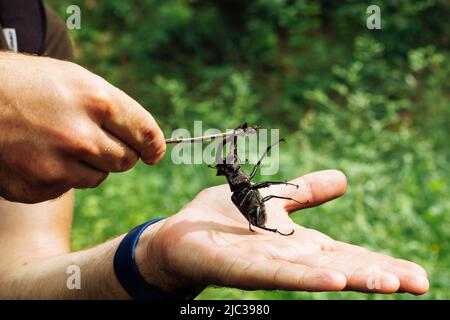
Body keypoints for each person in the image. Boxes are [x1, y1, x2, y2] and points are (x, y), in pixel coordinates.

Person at [0, 2, 428, 299]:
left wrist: (150, 256)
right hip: (250, 204)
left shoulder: (34, 31)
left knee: (267, 188)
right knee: (265, 186)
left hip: (251, 209)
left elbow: (15, 279)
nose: (233, 166)